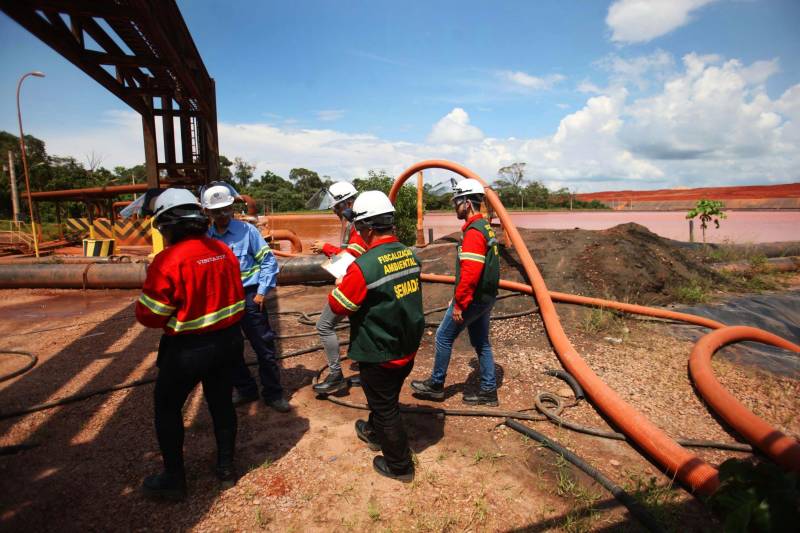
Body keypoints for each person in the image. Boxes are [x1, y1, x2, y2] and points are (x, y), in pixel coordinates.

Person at [135, 188, 245, 500]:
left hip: (187, 351)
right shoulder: (223, 251)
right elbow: (238, 298)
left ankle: (174, 479)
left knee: (167, 408)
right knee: (222, 404)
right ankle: (226, 469)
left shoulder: (167, 261)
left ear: (168, 225)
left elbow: (151, 316)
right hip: (228, 343)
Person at [327, 190, 424, 481]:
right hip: (407, 346)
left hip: (380, 352)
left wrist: (340, 282)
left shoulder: (363, 267)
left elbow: (338, 306)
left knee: (385, 407)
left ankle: (400, 466)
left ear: (365, 228)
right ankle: (372, 430)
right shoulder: (409, 254)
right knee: (386, 398)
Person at [410, 178, 501, 406]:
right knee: (481, 342)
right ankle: (489, 391)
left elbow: (470, 273)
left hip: (473, 299)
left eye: (457, 202)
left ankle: (436, 385)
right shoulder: (485, 227)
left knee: (443, 336)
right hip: (486, 297)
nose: (455, 207)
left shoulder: (474, 233)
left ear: (467, 203)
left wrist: (460, 302)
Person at [202, 184, 290, 413]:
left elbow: (268, 262)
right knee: (229, 349)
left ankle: (273, 393)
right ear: (208, 213)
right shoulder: (206, 239)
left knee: (264, 347)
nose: (222, 215)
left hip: (251, 297)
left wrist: (261, 293)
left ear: (232, 208)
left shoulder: (247, 231)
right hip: (223, 301)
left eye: (225, 210)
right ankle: (246, 388)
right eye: (216, 211)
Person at [309, 181, 368, 394]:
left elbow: (355, 256)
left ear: (349, 203)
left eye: (337, 207)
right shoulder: (356, 222)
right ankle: (368, 372)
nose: (335, 212)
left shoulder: (357, 226)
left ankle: (335, 377)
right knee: (360, 323)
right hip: (359, 281)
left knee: (324, 326)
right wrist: (329, 252)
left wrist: (327, 248)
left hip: (356, 284)